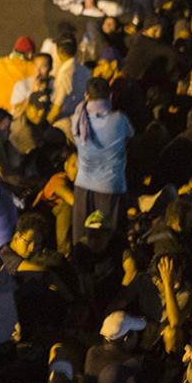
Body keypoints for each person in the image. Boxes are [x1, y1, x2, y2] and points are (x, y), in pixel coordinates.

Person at [69, 77, 131, 255]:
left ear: (86, 96)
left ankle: (81, 275)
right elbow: (130, 135)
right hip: (111, 187)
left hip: (83, 187)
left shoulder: (77, 119)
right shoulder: (119, 120)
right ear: (110, 96)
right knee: (110, 239)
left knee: (82, 240)